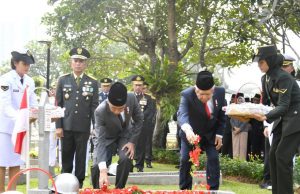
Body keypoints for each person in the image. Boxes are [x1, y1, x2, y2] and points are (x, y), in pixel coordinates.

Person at [251, 45, 300, 194]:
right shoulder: (264, 78)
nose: (259, 65)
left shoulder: (284, 77)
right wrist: (247, 111)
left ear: (271, 61)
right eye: (258, 62)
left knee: (282, 156)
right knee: (273, 155)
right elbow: (265, 104)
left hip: (296, 117)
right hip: (282, 117)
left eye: (262, 62)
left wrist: (265, 117)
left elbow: (284, 105)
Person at [55, 47, 99, 188]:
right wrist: (58, 126)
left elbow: (94, 106)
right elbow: (58, 105)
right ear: (71, 62)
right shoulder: (63, 80)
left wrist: (95, 127)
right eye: (76, 61)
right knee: (66, 156)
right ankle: (64, 183)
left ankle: (78, 183)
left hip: (83, 126)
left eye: (81, 61)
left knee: (81, 157)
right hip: (66, 125)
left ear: (85, 64)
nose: (78, 63)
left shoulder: (92, 82)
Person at [177, 70, 226, 190]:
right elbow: (182, 115)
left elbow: (222, 115)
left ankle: (213, 190)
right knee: (185, 160)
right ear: (195, 89)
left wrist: (219, 134)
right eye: (200, 94)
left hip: (211, 134)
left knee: (214, 158)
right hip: (191, 134)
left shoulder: (220, 92)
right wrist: (188, 131)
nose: (203, 97)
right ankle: (184, 190)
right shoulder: (186, 95)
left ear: (213, 90)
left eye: (207, 94)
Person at [92, 82, 143, 189]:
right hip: (106, 138)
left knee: (126, 158)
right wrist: (103, 170)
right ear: (108, 102)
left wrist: (132, 142)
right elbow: (100, 140)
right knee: (97, 165)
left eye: (120, 109)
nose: (116, 111)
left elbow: (139, 120)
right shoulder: (100, 111)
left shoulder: (131, 98)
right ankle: (97, 190)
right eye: (113, 108)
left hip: (125, 136)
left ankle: (119, 189)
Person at [0, 50, 37, 192]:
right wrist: (21, 118)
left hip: (21, 128)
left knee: (16, 162)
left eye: (29, 64)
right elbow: (5, 106)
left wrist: (35, 113)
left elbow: (33, 102)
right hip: (5, 127)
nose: (27, 67)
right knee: (2, 163)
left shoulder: (30, 81)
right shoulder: (5, 79)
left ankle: (12, 191)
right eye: (24, 63)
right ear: (15, 63)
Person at [131, 75, 156, 172]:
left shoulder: (148, 98)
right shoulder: (128, 96)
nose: (138, 87)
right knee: (130, 145)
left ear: (143, 86)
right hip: (130, 126)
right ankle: (129, 165)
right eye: (136, 85)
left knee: (141, 146)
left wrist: (138, 119)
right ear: (133, 85)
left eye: (140, 85)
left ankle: (139, 166)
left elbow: (150, 112)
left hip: (142, 125)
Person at [143, 82, 157, 168]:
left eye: (145, 88)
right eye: (142, 88)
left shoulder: (151, 98)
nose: (143, 89)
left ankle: (148, 160)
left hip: (147, 124)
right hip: (137, 124)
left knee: (148, 143)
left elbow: (152, 111)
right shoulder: (135, 97)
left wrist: (145, 120)